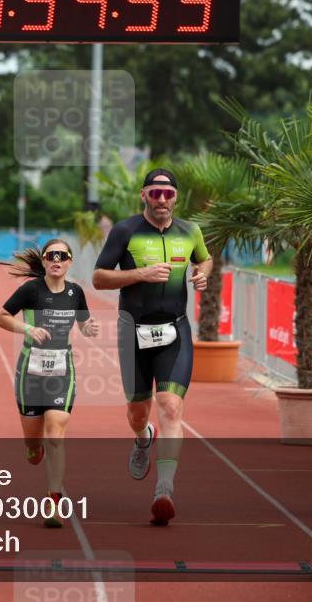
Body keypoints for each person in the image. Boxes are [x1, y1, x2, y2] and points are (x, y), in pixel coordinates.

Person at [92, 168, 210, 526]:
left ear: (176, 197)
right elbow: (99, 277)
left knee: (171, 406)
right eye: (155, 193)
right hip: (134, 331)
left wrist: (203, 271)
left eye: (168, 194)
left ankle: (164, 488)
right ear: (144, 195)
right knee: (138, 413)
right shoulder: (126, 231)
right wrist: (139, 275)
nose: (161, 200)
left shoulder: (190, 231)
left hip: (175, 330)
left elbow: (203, 257)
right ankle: (143, 437)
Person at [0, 239, 100, 527]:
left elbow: (84, 326)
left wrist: (90, 329)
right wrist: (28, 328)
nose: (56, 259)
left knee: (55, 434)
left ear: (69, 262)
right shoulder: (31, 290)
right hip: (30, 372)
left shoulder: (75, 292)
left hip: (61, 371)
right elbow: (2, 318)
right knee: (33, 446)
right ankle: (33, 448)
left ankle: (53, 502)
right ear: (43, 261)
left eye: (62, 255)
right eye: (51, 255)